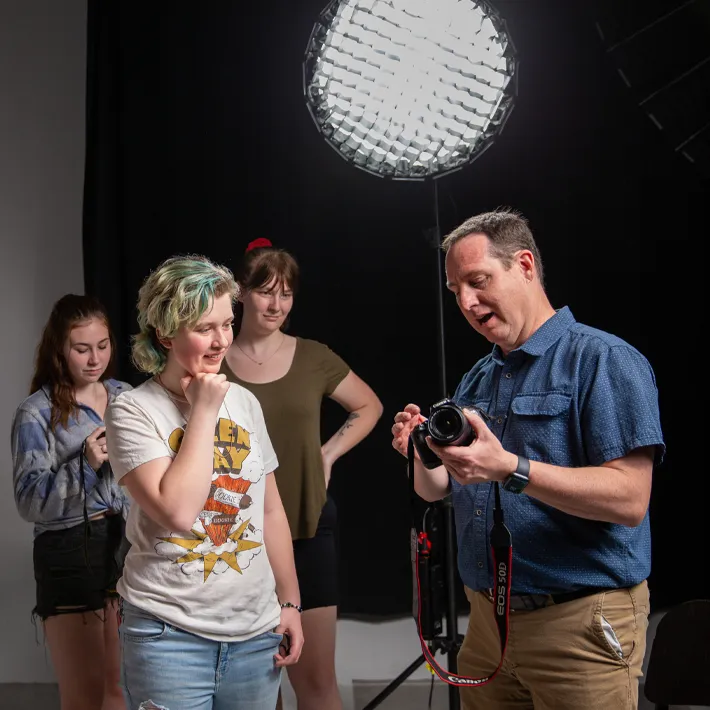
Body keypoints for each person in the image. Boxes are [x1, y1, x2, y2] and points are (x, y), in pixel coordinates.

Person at [391, 209, 664, 710]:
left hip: (578, 624)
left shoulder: (603, 360)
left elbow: (629, 499)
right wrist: (420, 454)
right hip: (487, 624)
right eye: (456, 291)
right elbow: (440, 491)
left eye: (478, 281)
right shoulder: (477, 377)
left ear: (524, 265)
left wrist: (511, 468)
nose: (468, 302)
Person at [104, 255, 303, 710]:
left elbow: (269, 509)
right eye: (204, 328)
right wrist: (205, 410)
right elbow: (177, 511)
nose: (220, 342)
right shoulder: (132, 410)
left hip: (256, 634)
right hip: (167, 635)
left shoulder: (246, 402)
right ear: (166, 333)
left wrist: (289, 604)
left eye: (227, 324)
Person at [221, 239, 383, 710]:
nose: (276, 304)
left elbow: (369, 405)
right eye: (266, 291)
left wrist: (328, 454)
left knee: (314, 684)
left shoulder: (313, 356)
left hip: (305, 528)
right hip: (235, 539)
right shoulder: (214, 356)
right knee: (254, 690)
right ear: (242, 293)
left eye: (286, 293)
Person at [11, 294, 131, 710]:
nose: (94, 358)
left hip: (128, 546)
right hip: (68, 549)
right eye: (82, 348)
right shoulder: (36, 413)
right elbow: (28, 502)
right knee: (84, 695)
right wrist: (85, 463)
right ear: (60, 350)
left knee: (121, 690)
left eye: (102, 345)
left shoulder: (126, 398)